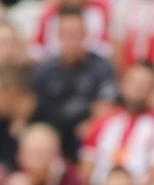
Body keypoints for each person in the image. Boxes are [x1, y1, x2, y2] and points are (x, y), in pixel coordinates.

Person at [31, 6, 118, 162]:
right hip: (53, 137)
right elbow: (32, 108)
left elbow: (106, 108)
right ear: (58, 36)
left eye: (76, 34)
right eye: (66, 34)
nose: (71, 40)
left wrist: (93, 124)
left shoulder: (101, 68)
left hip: (85, 137)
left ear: (85, 35)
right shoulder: (44, 71)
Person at [78, 62, 154, 185]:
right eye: (134, 81)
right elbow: (87, 164)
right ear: (123, 84)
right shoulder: (104, 121)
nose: (138, 87)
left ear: (153, 90)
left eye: (145, 84)